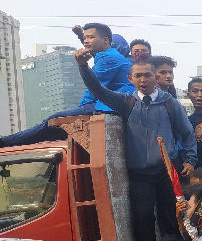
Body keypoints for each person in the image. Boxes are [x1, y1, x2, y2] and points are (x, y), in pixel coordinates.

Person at [75, 54, 196, 241]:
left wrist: (189, 160)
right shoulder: (126, 102)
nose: (143, 79)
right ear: (130, 79)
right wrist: (83, 66)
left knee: (172, 218)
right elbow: (98, 90)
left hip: (167, 172)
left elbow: (187, 133)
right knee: (142, 219)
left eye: (147, 75)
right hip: (140, 174)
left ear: (155, 77)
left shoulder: (170, 103)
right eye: (138, 76)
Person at [1, 22, 134, 148]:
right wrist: (80, 35)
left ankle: (6, 142)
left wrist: (77, 114)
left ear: (106, 40)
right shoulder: (109, 54)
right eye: (84, 38)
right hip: (111, 104)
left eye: (90, 37)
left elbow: (93, 90)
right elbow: (93, 50)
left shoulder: (107, 58)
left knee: (53, 121)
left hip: (108, 107)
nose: (86, 41)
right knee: (54, 127)